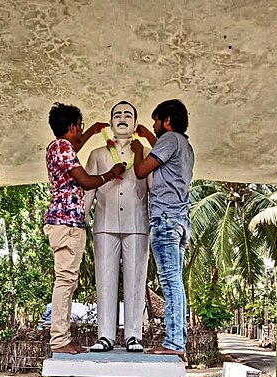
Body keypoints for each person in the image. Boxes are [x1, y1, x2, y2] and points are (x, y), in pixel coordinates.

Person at [44, 102, 125, 355]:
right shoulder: (63, 147)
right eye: (79, 125)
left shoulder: (57, 147)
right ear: (71, 126)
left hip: (62, 223)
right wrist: (110, 174)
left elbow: (75, 147)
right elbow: (85, 181)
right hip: (66, 223)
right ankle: (59, 339)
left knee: (66, 280)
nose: (81, 130)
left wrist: (90, 131)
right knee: (66, 281)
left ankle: (61, 337)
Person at [84, 101, 152, 353]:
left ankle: (134, 335)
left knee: (136, 280)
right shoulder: (98, 154)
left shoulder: (144, 153)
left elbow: (154, 189)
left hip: (137, 224)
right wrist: (79, 219)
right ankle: (105, 336)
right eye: (117, 115)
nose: (122, 118)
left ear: (135, 123)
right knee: (105, 279)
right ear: (110, 123)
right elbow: (89, 189)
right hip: (105, 222)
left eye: (128, 115)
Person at [131, 99, 194, 357]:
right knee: (175, 282)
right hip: (179, 221)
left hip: (165, 220)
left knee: (170, 283)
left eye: (156, 120)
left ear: (167, 121)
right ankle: (178, 339)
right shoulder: (184, 145)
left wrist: (138, 150)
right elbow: (164, 155)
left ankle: (174, 343)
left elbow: (141, 171)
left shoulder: (170, 139)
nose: (154, 125)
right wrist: (146, 134)